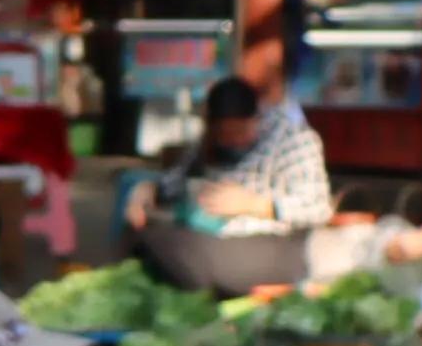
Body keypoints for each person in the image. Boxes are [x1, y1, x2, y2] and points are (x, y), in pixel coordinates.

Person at [126, 67, 336, 292]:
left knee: (176, 249)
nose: (233, 141)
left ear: (256, 118)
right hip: (211, 238)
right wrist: (147, 189)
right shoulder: (210, 143)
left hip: (274, 246)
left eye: (239, 132)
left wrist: (256, 205)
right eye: (225, 135)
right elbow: (173, 183)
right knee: (145, 239)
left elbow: (319, 208)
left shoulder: (294, 140)